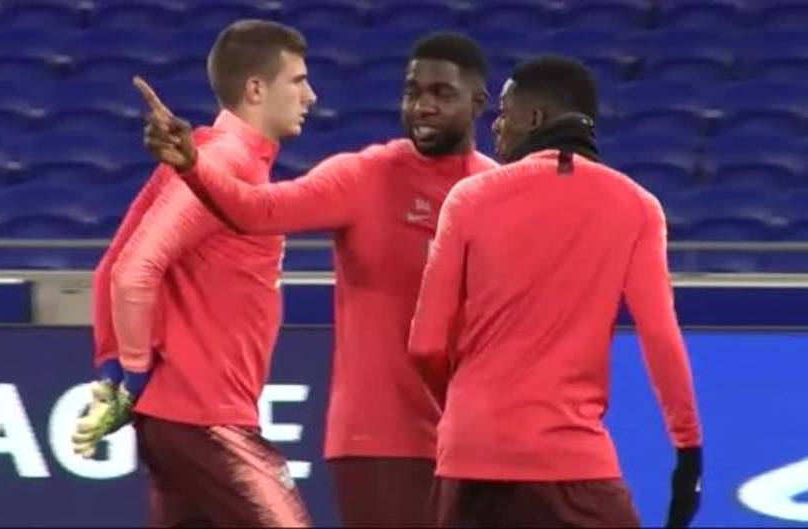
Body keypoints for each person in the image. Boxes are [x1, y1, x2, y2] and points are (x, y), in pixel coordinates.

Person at [139, 32, 497, 527]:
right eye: (413, 92)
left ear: (478, 103)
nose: (423, 107)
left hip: (481, 442)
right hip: (381, 443)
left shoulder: (499, 191)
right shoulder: (365, 176)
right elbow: (260, 210)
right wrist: (195, 167)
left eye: (441, 94)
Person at [407, 55, 703, 528]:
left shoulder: (467, 200)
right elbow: (661, 339)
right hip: (570, 464)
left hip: (469, 457)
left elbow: (424, 343)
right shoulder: (637, 207)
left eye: (504, 113)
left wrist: (468, 408)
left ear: (536, 119)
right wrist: (688, 449)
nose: (496, 127)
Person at [70, 19, 316, 527]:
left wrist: (116, 374)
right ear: (255, 89)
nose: (310, 95)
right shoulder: (226, 162)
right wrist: (130, 378)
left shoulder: (206, 159)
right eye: (297, 81)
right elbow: (131, 271)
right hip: (206, 418)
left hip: (184, 419)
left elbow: (110, 267)